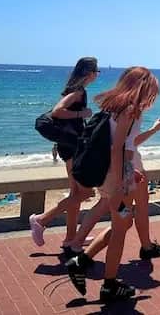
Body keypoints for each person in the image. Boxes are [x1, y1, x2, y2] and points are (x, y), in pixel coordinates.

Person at [66, 67, 160, 302]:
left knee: (124, 221)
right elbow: (117, 148)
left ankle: (82, 261)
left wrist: (131, 173)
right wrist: (121, 182)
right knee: (120, 228)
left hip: (119, 174)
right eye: (151, 91)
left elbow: (122, 146)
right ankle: (109, 285)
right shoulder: (129, 110)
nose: (152, 97)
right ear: (142, 87)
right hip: (117, 178)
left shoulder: (114, 106)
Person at [29, 57, 100, 258]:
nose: (98, 74)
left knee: (75, 194)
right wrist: (82, 114)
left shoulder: (76, 89)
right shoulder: (78, 92)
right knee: (86, 193)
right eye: (97, 70)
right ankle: (41, 220)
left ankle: (70, 239)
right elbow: (57, 112)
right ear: (89, 73)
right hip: (72, 147)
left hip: (69, 146)